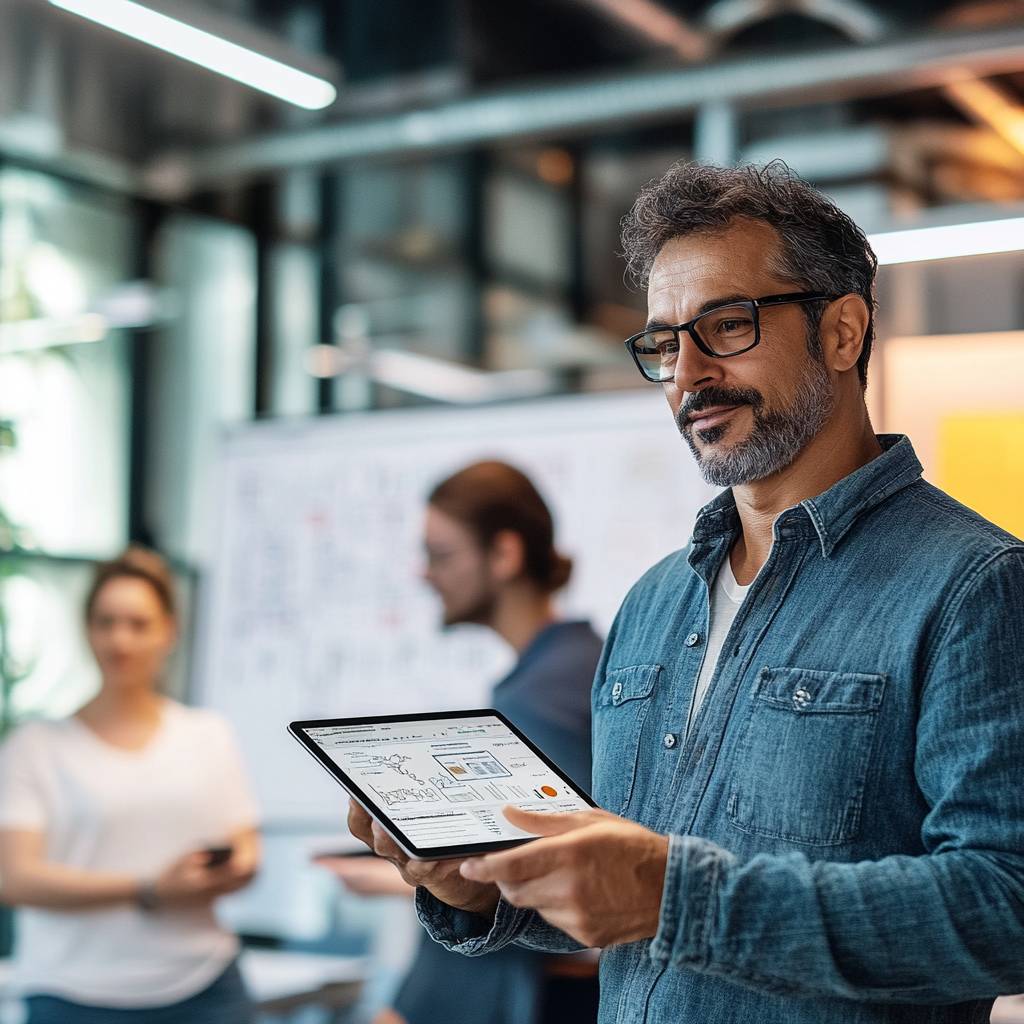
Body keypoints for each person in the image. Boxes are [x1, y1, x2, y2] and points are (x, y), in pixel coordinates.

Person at [348, 162, 1024, 1024]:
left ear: (844, 332)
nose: (687, 375)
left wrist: (679, 899)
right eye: (666, 344)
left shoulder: (974, 586)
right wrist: (485, 892)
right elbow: (622, 900)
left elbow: (1005, 906)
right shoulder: (653, 604)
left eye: (726, 326)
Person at [321, 461, 603, 1024]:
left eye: (441, 554)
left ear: (504, 554)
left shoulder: (540, 698)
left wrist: (407, 1009)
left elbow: (536, 883)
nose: (425, 574)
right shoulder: (572, 664)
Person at [0, 547, 261, 1024]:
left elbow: (245, 851)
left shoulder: (207, 734)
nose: (120, 640)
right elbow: (13, 877)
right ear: (86, 630)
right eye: (105, 622)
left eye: (138, 624)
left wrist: (226, 870)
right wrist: (149, 888)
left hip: (205, 986)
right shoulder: (35, 746)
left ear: (169, 630)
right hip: (73, 994)